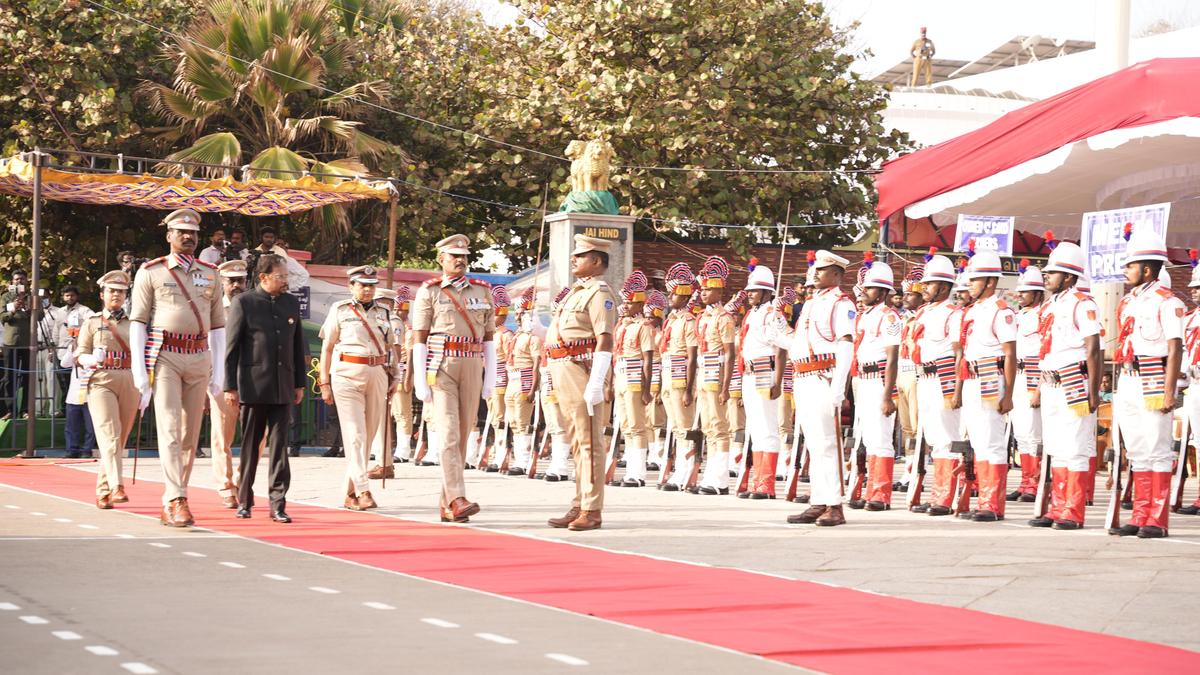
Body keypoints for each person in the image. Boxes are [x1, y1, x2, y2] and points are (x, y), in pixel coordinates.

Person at [130, 208, 226, 527]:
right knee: (170, 427)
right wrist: (140, 374)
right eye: (181, 232)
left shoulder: (211, 273)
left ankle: (175, 493)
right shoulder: (151, 271)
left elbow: (217, 328)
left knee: (189, 435)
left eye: (193, 233)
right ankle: (176, 497)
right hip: (166, 355)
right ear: (169, 236)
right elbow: (138, 322)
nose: (188, 237)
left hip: (199, 356)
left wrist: (220, 371)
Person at [412, 235, 495, 523]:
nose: (459, 260)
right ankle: (458, 497)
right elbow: (419, 338)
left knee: (462, 433)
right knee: (447, 431)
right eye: (453, 256)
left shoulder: (483, 291)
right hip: (442, 363)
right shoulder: (430, 291)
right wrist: (420, 380)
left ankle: (448, 504)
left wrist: (491, 376)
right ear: (441, 259)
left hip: (473, 363)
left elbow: (489, 338)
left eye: (463, 256)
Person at [1111, 226, 1183, 538]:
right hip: (1127, 376)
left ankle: (1156, 518)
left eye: (1131, 265)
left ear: (1148, 268)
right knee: (1137, 448)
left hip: (1154, 376)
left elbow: (1174, 346)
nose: (1126, 271)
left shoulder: (1167, 301)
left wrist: (1169, 391)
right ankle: (1140, 515)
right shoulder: (1128, 301)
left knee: (1157, 447)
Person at [225, 254, 307, 523]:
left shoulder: (290, 303)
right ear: (263, 277)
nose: (285, 281)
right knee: (250, 447)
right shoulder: (244, 303)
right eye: (280, 276)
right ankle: (245, 500)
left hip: (283, 386)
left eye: (286, 276)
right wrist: (230, 386)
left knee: (280, 447)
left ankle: (278, 503)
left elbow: (297, 346)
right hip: (253, 386)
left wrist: (299, 384)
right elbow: (232, 349)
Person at [1028, 243, 1102, 530]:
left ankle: (1073, 509)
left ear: (1069, 277)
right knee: (1057, 447)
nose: (1047, 277)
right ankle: (1057, 506)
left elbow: (1093, 348)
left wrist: (1093, 392)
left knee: (1074, 447)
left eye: (1054, 273)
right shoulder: (1048, 305)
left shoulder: (1083, 304)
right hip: (1049, 382)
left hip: (1073, 380)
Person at [545, 236, 616, 531]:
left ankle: (592, 508)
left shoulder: (599, 293)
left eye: (581, 256)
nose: (574, 259)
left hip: (581, 368)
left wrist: (597, 382)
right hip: (564, 366)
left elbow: (605, 338)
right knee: (576, 440)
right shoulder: (576, 292)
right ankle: (579, 503)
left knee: (588, 441)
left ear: (597, 261)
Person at [319, 265, 400, 512]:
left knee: (368, 435)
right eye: (362, 285)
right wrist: (324, 382)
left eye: (371, 285)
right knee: (355, 435)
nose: (367, 289)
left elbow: (390, 347)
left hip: (377, 373)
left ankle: (350, 493)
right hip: (346, 375)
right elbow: (328, 347)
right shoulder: (340, 310)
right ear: (351, 286)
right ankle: (364, 489)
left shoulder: (384, 312)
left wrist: (396, 373)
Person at [786, 251, 854, 526]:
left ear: (836, 274)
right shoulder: (812, 303)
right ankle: (819, 499)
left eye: (822, 269)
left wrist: (840, 387)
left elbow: (846, 344)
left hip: (823, 377)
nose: (815, 273)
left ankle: (835, 504)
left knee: (828, 443)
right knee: (813, 444)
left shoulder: (841, 303)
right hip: (804, 376)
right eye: (815, 268)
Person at [956, 250, 1017, 522]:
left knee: (991, 441)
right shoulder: (971, 311)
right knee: (978, 441)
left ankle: (992, 504)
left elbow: (1010, 353)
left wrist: (1010, 395)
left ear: (990, 282)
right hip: (971, 376)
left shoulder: (1001, 311)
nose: (969, 284)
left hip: (992, 375)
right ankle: (982, 499)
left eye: (975, 279)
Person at [75, 271, 138, 509]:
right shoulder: (92, 323)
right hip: (101, 379)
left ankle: (102, 489)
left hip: (129, 377)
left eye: (121, 291)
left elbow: (144, 354)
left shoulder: (134, 323)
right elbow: (79, 354)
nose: (116, 295)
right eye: (112, 291)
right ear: (102, 294)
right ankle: (116, 486)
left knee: (119, 439)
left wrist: (147, 384)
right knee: (110, 434)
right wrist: (90, 357)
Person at [911, 255, 965, 516]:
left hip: (944, 377)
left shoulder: (953, 313)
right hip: (924, 377)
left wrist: (956, 389)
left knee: (947, 438)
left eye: (929, 284)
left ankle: (946, 497)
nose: (924, 288)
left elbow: (958, 353)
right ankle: (936, 494)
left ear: (944, 287)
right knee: (933, 437)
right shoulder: (923, 312)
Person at [851, 261, 901, 511]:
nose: (864, 292)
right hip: (864, 379)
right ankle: (871, 489)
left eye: (870, 289)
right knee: (869, 438)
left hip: (880, 378)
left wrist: (888, 395)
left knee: (881, 438)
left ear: (882, 292)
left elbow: (892, 357)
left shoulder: (889, 317)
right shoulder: (865, 316)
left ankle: (881, 494)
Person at [739, 265, 789, 500]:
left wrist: (777, 381)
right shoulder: (752, 314)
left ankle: (766, 484)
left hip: (765, 373)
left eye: (755, 290)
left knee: (768, 428)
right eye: (749, 290)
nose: (750, 293)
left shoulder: (773, 314)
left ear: (768, 293)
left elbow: (781, 349)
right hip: (749, 373)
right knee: (756, 429)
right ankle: (757, 480)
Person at [692, 258, 735, 494]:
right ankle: (711, 474)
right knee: (708, 426)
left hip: (717, 374)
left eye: (708, 289)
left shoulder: (724, 317)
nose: (704, 293)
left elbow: (730, 354)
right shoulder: (704, 317)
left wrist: (726, 385)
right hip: (704, 374)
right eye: (702, 289)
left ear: (719, 290)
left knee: (719, 425)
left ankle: (720, 479)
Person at [209, 260, 247, 507]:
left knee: (258, 435)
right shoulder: (211, 310)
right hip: (222, 379)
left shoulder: (254, 306)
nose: (236, 285)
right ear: (221, 283)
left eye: (240, 280)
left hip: (253, 380)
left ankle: (243, 480)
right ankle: (225, 485)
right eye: (231, 281)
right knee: (223, 435)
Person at [659, 263, 699, 492]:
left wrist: (688, 389)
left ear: (683, 297)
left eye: (673, 293)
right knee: (675, 424)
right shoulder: (672, 320)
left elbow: (692, 357)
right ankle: (680, 467)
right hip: (668, 375)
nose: (669, 297)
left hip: (681, 377)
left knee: (684, 425)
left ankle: (686, 468)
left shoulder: (688, 321)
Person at [612, 272, 653, 487]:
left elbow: (648, 359)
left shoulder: (643, 326)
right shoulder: (622, 326)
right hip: (621, 378)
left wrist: (646, 389)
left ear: (639, 304)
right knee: (626, 425)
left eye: (630, 302)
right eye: (624, 302)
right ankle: (630, 471)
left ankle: (638, 474)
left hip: (635, 379)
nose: (626, 306)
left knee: (637, 426)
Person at [1009, 264, 1046, 503]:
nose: (1019, 295)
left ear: (1037, 293)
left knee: (1034, 433)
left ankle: (1036, 482)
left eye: (1025, 291)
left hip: (1034, 374)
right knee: (1021, 433)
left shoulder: (1044, 315)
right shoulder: (1018, 316)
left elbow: (1046, 352)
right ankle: (1025, 481)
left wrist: (1040, 389)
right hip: (1018, 375)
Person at [506, 287, 543, 476]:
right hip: (511, 380)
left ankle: (523, 461)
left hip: (524, 380)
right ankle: (517, 458)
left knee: (522, 422)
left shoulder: (533, 339)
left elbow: (537, 364)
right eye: (517, 313)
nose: (518, 317)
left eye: (522, 313)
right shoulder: (516, 336)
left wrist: (532, 389)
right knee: (512, 421)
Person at [895, 269, 926, 491]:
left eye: (910, 294)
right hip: (902, 373)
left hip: (917, 373)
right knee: (906, 427)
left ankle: (917, 471)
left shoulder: (925, 316)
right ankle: (908, 470)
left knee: (917, 427)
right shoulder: (903, 318)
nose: (905, 298)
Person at [540, 287, 574, 481]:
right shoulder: (552, 330)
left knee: (563, 423)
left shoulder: (568, 330)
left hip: (564, 377)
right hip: (549, 378)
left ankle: (561, 465)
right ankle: (558, 463)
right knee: (553, 423)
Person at [55, 294, 96, 459]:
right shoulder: (74, 346)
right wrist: (72, 349)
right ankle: (72, 449)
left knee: (90, 425)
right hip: (74, 394)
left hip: (88, 392)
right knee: (71, 426)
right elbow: (64, 364)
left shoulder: (94, 347)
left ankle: (87, 449)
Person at [485, 286, 513, 471]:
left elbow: (510, 360)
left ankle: (503, 452)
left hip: (502, 379)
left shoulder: (505, 335)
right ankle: (496, 450)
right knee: (494, 416)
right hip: (490, 378)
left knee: (502, 417)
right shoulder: (488, 335)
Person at [55, 286, 92, 417]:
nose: (69, 298)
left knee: (77, 381)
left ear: (77, 296)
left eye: (72, 295)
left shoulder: (84, 310)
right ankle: (64, 409)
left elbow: (93, 323)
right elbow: (56, 330)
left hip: (77, 351)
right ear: (63, 297)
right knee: (63, 382)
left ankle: (79, 410)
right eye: (67, 295)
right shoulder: (60, 311)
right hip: (61, 351)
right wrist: (52, 348)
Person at [1, 270, 32, 419]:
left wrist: (29, 307)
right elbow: (2, 317)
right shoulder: (6, 297)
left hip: (28, 342)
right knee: (9, 377)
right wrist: (13, 308)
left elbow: (40, 317)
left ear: (27, 281)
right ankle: (10, 410)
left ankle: (25, 409)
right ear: (12, 282)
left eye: (22, 279)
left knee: (27, 376)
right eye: (16, 279)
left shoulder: (31, 297)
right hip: (10, 342)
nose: (19, 282)